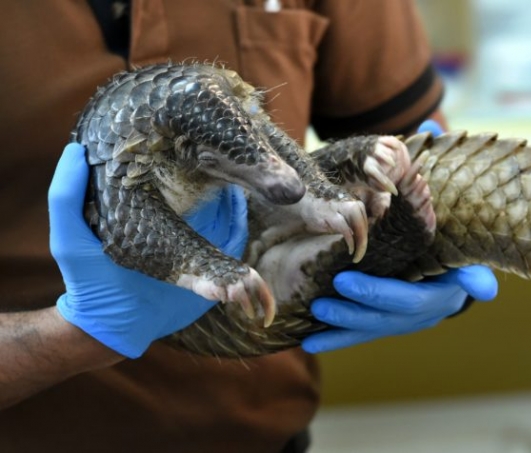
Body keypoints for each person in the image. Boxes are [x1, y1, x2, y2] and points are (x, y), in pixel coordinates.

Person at [0, 1, 498, 452]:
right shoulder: (128, 174)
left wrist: (430, 246)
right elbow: (136, 224)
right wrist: (74, 336)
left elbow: (399, 139)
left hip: (263, 426)